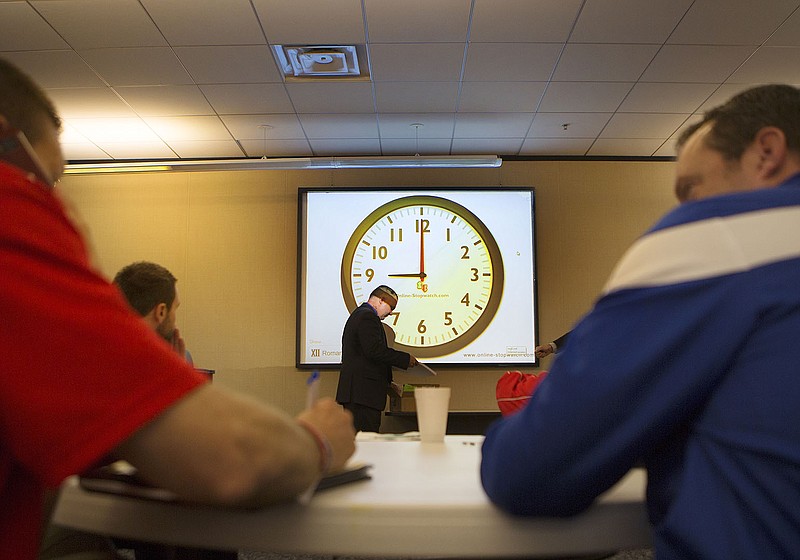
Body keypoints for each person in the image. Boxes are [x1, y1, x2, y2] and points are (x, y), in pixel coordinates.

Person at [0, 57, 355, 560]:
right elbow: (232, 460)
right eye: (47, 180)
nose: (54, 203)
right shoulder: (8, 213)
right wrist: (318, 442)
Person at [481, 84, 800, 559]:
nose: (685, 210)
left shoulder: (717, 242)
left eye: (691, 189)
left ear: (767, 152)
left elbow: (528, 472)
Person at [336, 285, 418, 432]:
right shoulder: (368, 316)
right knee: (367, 443)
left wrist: (387, 381)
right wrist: (405, 359)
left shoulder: (359, 314)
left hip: (358, 394)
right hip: (363, 395)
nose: (392, 312)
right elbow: (374, 351)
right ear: (381, 300)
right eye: (391, 306)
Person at [113, 261, 190, 362]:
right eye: (175, 309)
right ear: (161, 312)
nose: (175, 323)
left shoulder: (97, 353)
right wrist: (178, 372)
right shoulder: (173, 363)